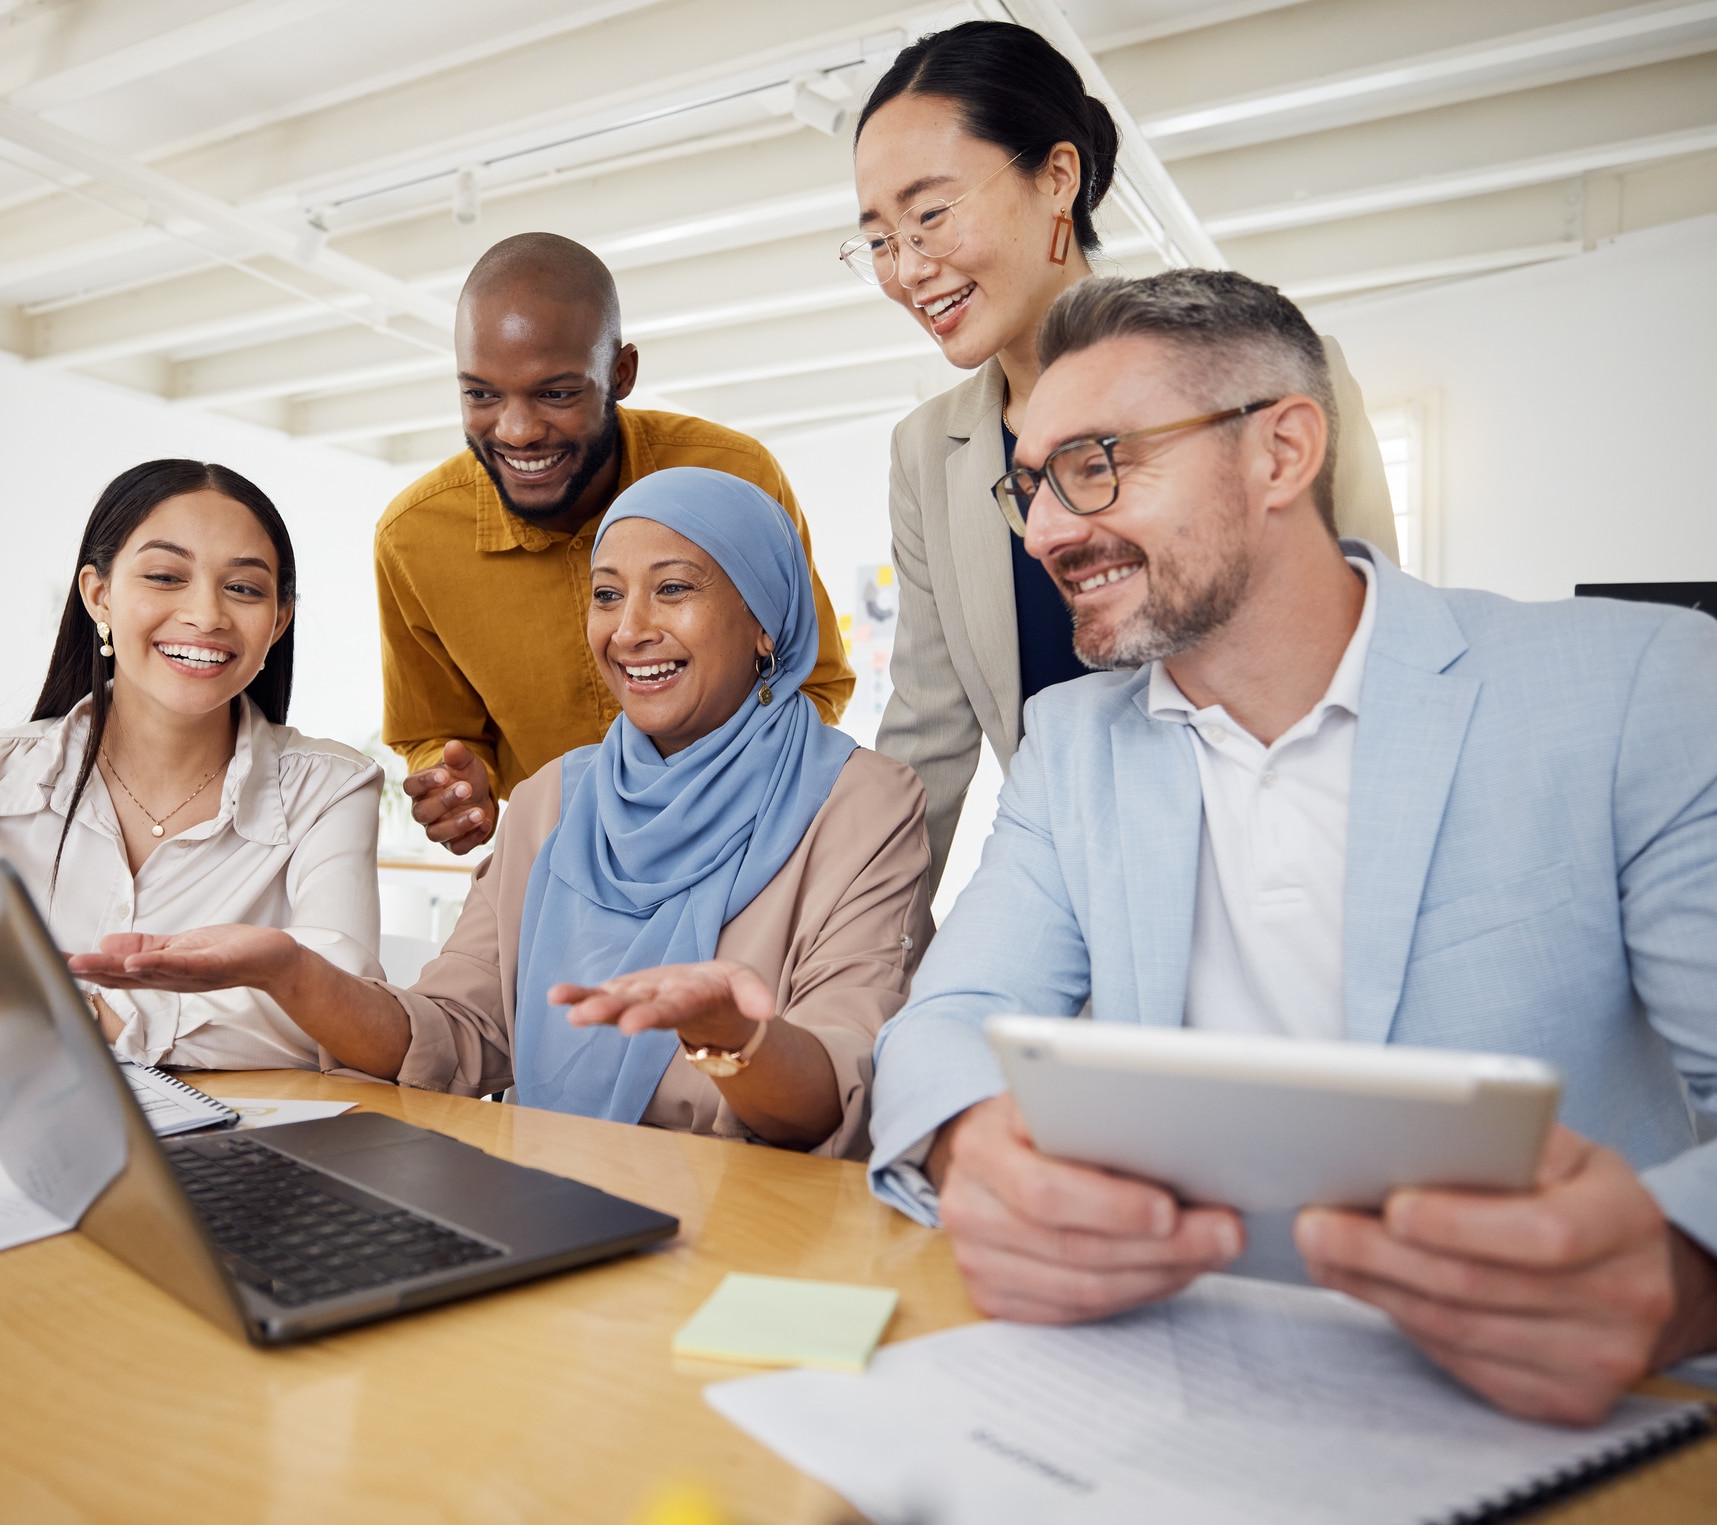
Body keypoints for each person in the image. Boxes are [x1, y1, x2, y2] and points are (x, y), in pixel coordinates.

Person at [866, 269, 1717, 1424]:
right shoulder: (1071, 746)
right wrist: (973, 1146)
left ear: (1280, 453)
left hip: (1550, 1409)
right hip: (1181, 1384)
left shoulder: (1634, 688)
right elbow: (945, 1018)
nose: (1051, 530)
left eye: (1096, 464)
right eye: (1032, 488)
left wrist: (1682, 1273)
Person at [76, 468, 932, 1158]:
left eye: (674, 589)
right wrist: (287, 971)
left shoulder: (862, 802)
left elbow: (835, 1095)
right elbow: (456, 1034)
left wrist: (728, 1033)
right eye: (605, 594)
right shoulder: (558, 797)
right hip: (557, 1206)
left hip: (753, 1225)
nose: (628, 629)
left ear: (764, 624)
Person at [848, 20, 1399, 885]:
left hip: (1288, 863)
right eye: (880, 237)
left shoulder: (1275, 375)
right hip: (1085, 886)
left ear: (1056, 177)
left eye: (930, 215)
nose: (906, 269)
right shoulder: (929, 452)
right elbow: (927, 739)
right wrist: (864, 982)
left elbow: (1376, 645)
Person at [0, 460, 386, 1073]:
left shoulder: (330, 790)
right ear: (98, 595)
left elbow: (344, 1017)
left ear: (278, 620)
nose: (206, 614)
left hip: (237, 1152)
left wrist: (91, 1014)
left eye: (244, 588)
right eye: (164, 575)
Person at [374, 232, 855, 857]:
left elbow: (812, 683)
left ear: (620, 373)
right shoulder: (412, 538)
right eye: (481, 394)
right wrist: (459, 784)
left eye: (556, 393)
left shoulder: (735, 476)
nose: (516, 431)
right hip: (560, 868)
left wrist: (702, 796)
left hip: (749, 846)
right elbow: (435, 732)